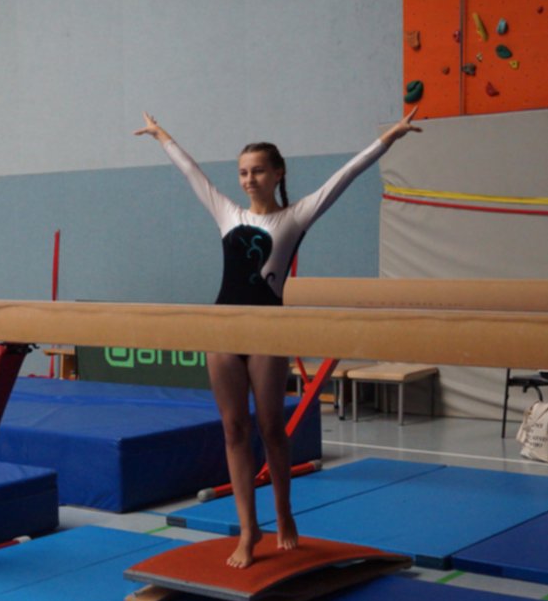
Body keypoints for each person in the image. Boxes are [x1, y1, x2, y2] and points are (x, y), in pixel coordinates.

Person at [135, 108, 422, 568]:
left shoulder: (295, 216)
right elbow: (192, 173)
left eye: (257, 171)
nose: (249, 180)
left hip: (268, 330)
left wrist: (389, 138)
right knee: (233, 429)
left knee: (271, 428)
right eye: (243, 173)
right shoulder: (227, 213)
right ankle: (248, 529)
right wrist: (160, 135)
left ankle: (284, 513)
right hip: (223, 327)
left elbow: (345, 176)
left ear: (278, 173)